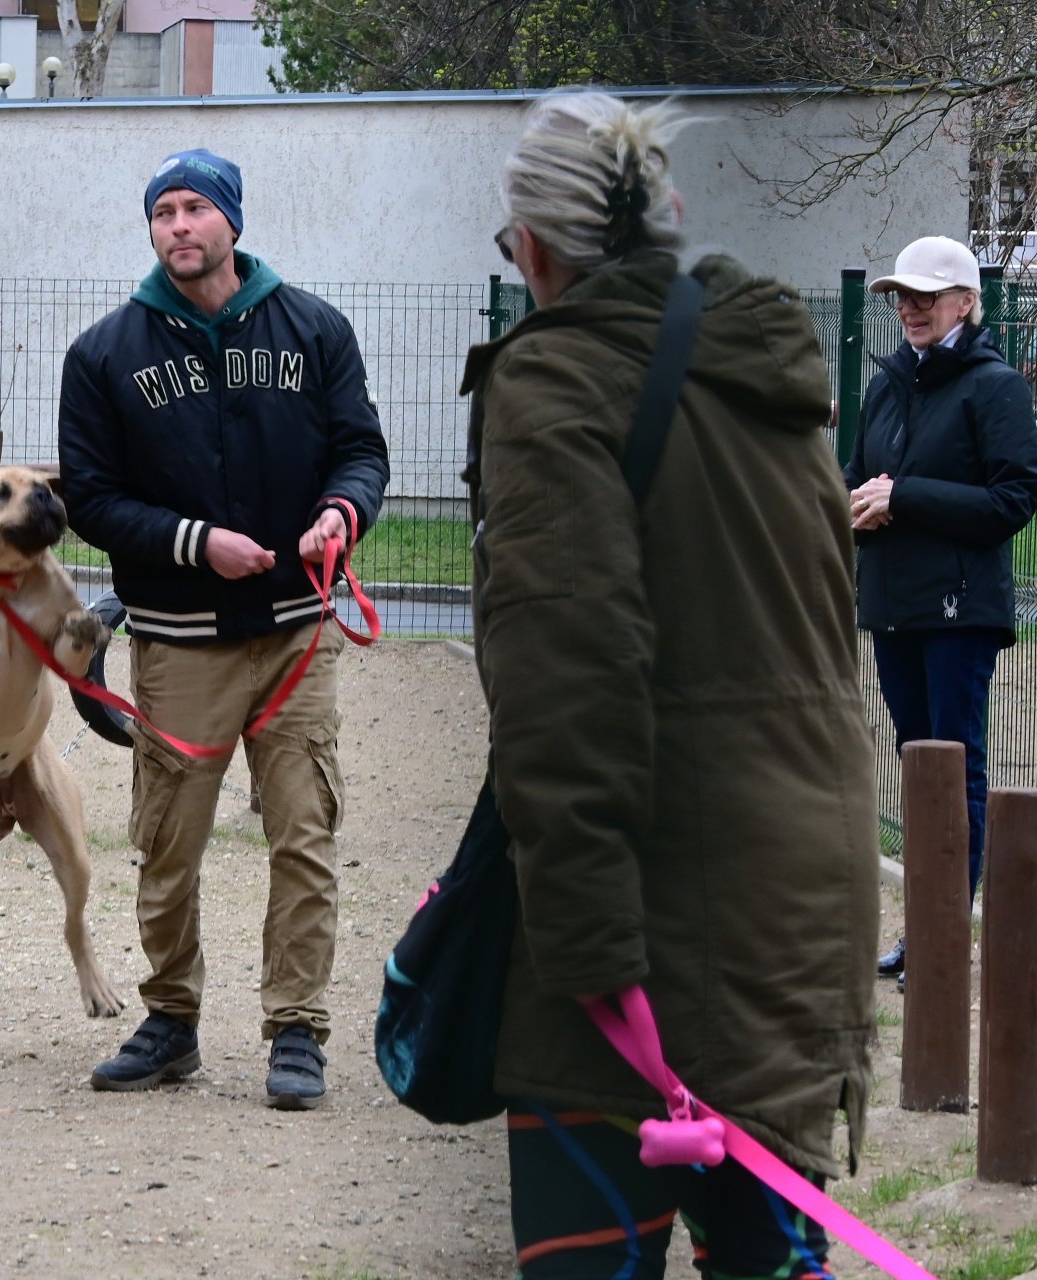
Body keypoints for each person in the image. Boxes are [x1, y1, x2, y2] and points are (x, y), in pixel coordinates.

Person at [465, 91, 877, 1276]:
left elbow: (565, 687)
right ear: (668, 224)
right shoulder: (772, 375)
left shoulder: (556, 382)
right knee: (770, 1258)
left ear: (533, 246)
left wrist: (592, 960)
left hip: (648, 915)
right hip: (803, 892)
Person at [58, 148, 389, 1110]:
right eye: (163, 211)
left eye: (196, 207)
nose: (179, 226)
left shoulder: (315, 329)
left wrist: (343, 512)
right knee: (167, 841)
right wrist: (198, 545)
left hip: (295, 631)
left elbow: (361, 450)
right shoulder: (105, 355)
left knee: (304, 834)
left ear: (232, 222)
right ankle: (171, 1022)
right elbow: (91, 500)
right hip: (178, 637)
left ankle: (297, 1032)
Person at [846, 235, 1037, 990]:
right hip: (894, 605)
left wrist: (906, 497)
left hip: (960, 613)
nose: (910, 308)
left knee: (955, 770)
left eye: (926, 296)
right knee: (916, 766)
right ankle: (925, 927)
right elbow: (863, 473)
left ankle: (942, 934)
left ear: (966, 302)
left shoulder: (994, 388)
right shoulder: (890, 385)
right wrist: (858, 501)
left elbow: (1013, 500)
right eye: (901, 295)